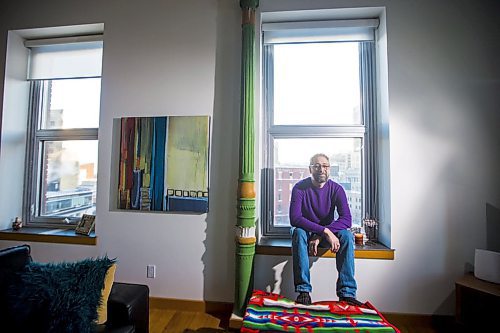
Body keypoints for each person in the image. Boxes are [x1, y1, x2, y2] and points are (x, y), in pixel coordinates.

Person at [289, 153, 363, 306]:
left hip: (324, 234)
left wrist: (322, 233)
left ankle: (347, 293)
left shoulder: (337, 189)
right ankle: (303, 291)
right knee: (298, 232)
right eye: (316, 166)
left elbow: (347, 219)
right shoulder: (299, 188)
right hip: (306, 232)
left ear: (329, 169)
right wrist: (324, 232)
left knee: (347, 236)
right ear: (310, 169)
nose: (321, 169)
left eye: (325, 166)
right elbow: (295, 219)